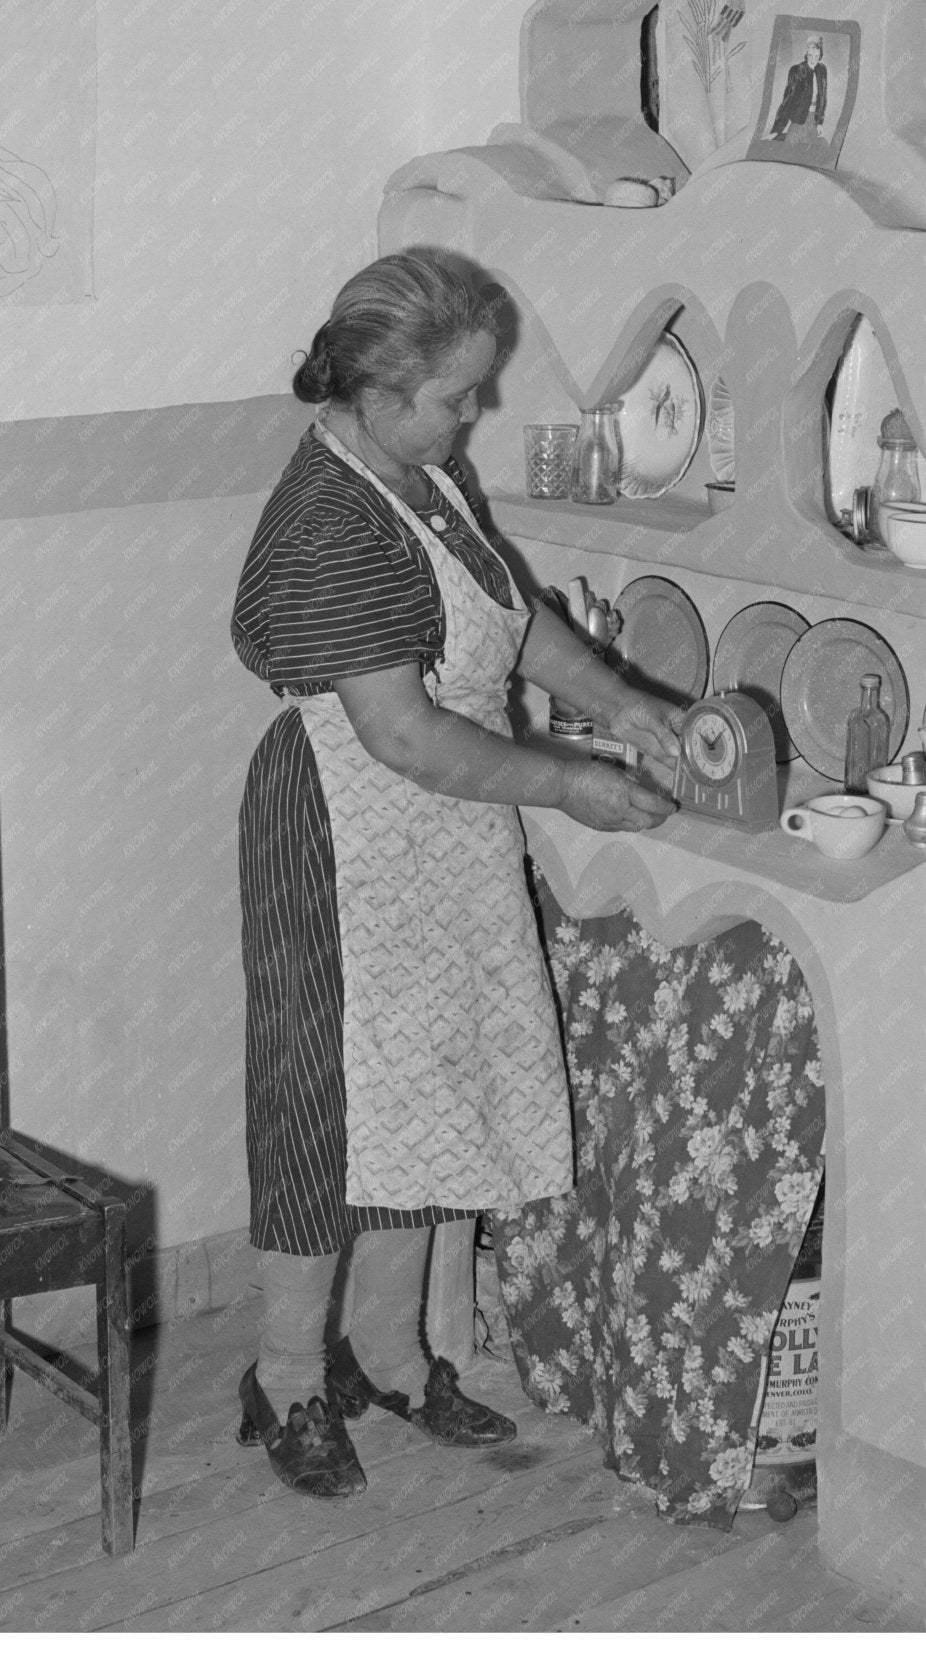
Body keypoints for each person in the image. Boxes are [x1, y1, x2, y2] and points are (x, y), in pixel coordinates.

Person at [229, 246, 681, 1498]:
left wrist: (623, 703)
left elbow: (514, 615)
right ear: (375, 389)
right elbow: (407, 732)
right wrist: (574, 779)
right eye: (456, 395)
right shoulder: (326, 521)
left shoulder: (420, 470)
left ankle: (388, 1350)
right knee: (326, 1108)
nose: (473, 413)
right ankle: (285, 1377)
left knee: (435, 1089)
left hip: (444, 824)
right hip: (341, 822)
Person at [768, 35, 827, 143]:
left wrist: (819, 123)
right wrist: (777, 130)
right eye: (810, 55)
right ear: (806, 54)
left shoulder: (822, 70)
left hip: (813, 120)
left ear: (820, 56)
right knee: (790, 149)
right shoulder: (797, 70)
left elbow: (823, 97)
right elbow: (788, 100)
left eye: (816, 56)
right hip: (799, 120)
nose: (813, 60)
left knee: (816, 151)